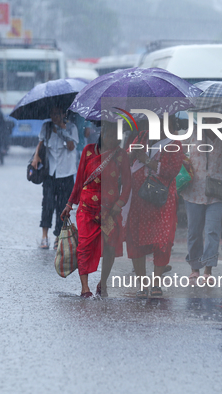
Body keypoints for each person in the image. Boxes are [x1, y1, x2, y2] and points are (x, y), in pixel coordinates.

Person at [61, 122, 131, 298]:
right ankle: (85, 288)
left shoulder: (121, 156)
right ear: (103, 134)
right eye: (110, 134)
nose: (114, 138)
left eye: (117, 135)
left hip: (110, 211)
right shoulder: (88, 151)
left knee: (109, 247)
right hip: (87, 209)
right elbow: (79, 182)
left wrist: (120, 203)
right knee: (84, 246)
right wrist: (70, 204)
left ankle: (103, 282)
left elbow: (128, 185)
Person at [125, 115, 183, 298]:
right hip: (138, 199)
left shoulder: (174, 143)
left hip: (161, 200)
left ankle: (156, 283)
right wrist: (131, 154)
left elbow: (171, 170)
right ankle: (142, 284)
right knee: (136, 238)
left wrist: (148, 160)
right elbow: (126, 160)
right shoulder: (142, 137)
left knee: (162, 240)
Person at [181, 122, 222, 283]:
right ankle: (195, 268)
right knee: (194, 231)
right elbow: (179, 153)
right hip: (194, 190)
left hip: (217, 192)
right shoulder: (192, 133)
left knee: (212, 231)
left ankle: (208, 269)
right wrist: (185, 162)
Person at [31, 106, 79, 250]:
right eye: (52, 113)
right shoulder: (46, 127)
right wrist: (35, 157)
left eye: (57, 114)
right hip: (50, 173)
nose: (54, 117)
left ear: (64, 114)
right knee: (47, 204)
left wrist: (61, 128)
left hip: (66, 173)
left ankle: (59, 236)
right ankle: (44, 237)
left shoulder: (72, 128)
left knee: (63, 207)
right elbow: (40, 143)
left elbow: (71, 146)